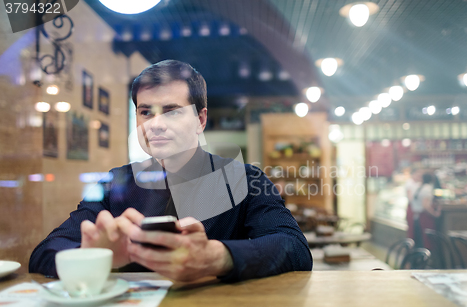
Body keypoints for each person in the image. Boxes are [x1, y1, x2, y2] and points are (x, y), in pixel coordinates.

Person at [29, 60, 312, 282]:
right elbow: (44, 252)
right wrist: (89, 256)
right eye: (146, 112)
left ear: (200, 119)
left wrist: (217, 257)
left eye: (172, 111)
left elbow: (294, 248)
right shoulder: (114, 183)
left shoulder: (244, 179)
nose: (155, 124)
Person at [411, 173, 440, 248]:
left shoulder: (419, 187)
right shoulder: (427, 188)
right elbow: (425, 206)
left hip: (417, 216)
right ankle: (426, 257)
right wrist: (435, 214)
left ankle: (418, 258)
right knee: (427, 240)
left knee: (419, 239)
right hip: (425, 217)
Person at [404, 168, 422, 239]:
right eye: (418, 174)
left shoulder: (417, 183)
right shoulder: (409, 183)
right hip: (412, 207)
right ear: (413, 174)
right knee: (411, 230)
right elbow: (410, 198)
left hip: (416, 208)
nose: (419, 176)